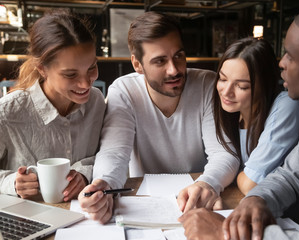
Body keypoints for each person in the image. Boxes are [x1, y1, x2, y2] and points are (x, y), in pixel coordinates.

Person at [179, 0, 299, 239]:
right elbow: (292, 176)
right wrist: (257, 200)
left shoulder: (291, 106)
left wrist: (226, 235)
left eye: (291, 56)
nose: (281, 64)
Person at [78, 11, 240, 224]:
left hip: (198, 203)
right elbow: (114, 152)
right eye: (160, 61)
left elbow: (224, 153)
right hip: (145, 206)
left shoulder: (207, 85)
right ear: (137, 65)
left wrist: (208, 183)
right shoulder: (124, 90)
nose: (174, 69)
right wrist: (105, 184)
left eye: (179, 56)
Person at [0, 10, 106, 202]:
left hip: (84, 215)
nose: (86, 84)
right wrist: (12, 183)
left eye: (91, 68)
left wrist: (83, 174)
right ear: (42, 69)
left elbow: (106, 155)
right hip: (27, 218)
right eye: (70, 75)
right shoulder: (7, 112)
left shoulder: (97, 102)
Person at [213, 37, 299, 195]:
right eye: (223, 79)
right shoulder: (231, 114)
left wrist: (237, 175)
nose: (226, 91)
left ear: (264, 85)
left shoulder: (287, 105)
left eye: (241, 86)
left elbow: (251, 184)